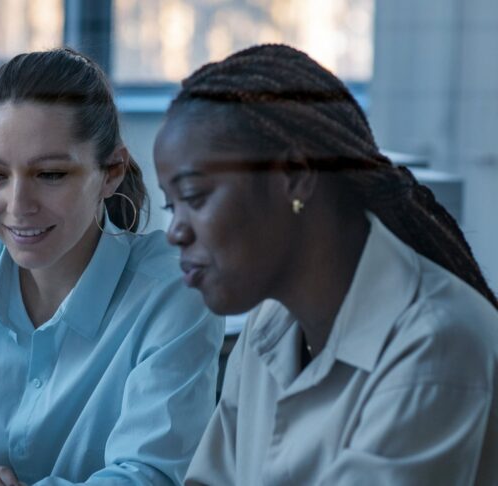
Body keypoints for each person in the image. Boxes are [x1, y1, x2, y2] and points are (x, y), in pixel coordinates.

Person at [0, 48, 224, 486]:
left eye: (50, 175)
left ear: (111, 171)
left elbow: (148, 476)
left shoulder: (175, 290)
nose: (17, 206)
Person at [151, 44, 498, 485]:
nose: (175, 231)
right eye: (171, 205)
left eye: (195, 197)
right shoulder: (268, 326)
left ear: (294, 174)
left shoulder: (436, 345)